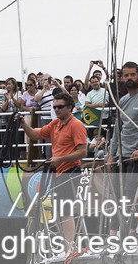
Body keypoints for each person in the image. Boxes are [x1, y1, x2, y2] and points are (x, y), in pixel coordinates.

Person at [22, 91, 89, 254]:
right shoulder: (54, 124)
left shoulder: (76, 125)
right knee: (60, 210)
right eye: (55, 107)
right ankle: (69, 246)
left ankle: (69, 248)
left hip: (70, 170)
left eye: (60, 107)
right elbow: (35, 135)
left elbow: (83, 152)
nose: (57, 109)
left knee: (65, 210)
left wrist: (60, 159)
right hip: (58, 171)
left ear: (70, 108)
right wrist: (23, 124)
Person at [105, 60, 138, 237]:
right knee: (116, 195)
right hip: (121, 155)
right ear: (122, 78)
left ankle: (131, 231)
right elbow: (118, 129)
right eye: (126, 75)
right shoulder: (122, 100)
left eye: (132, 75)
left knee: (132, 194)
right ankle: (113, 233)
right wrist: (111, 154)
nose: (129, 78)